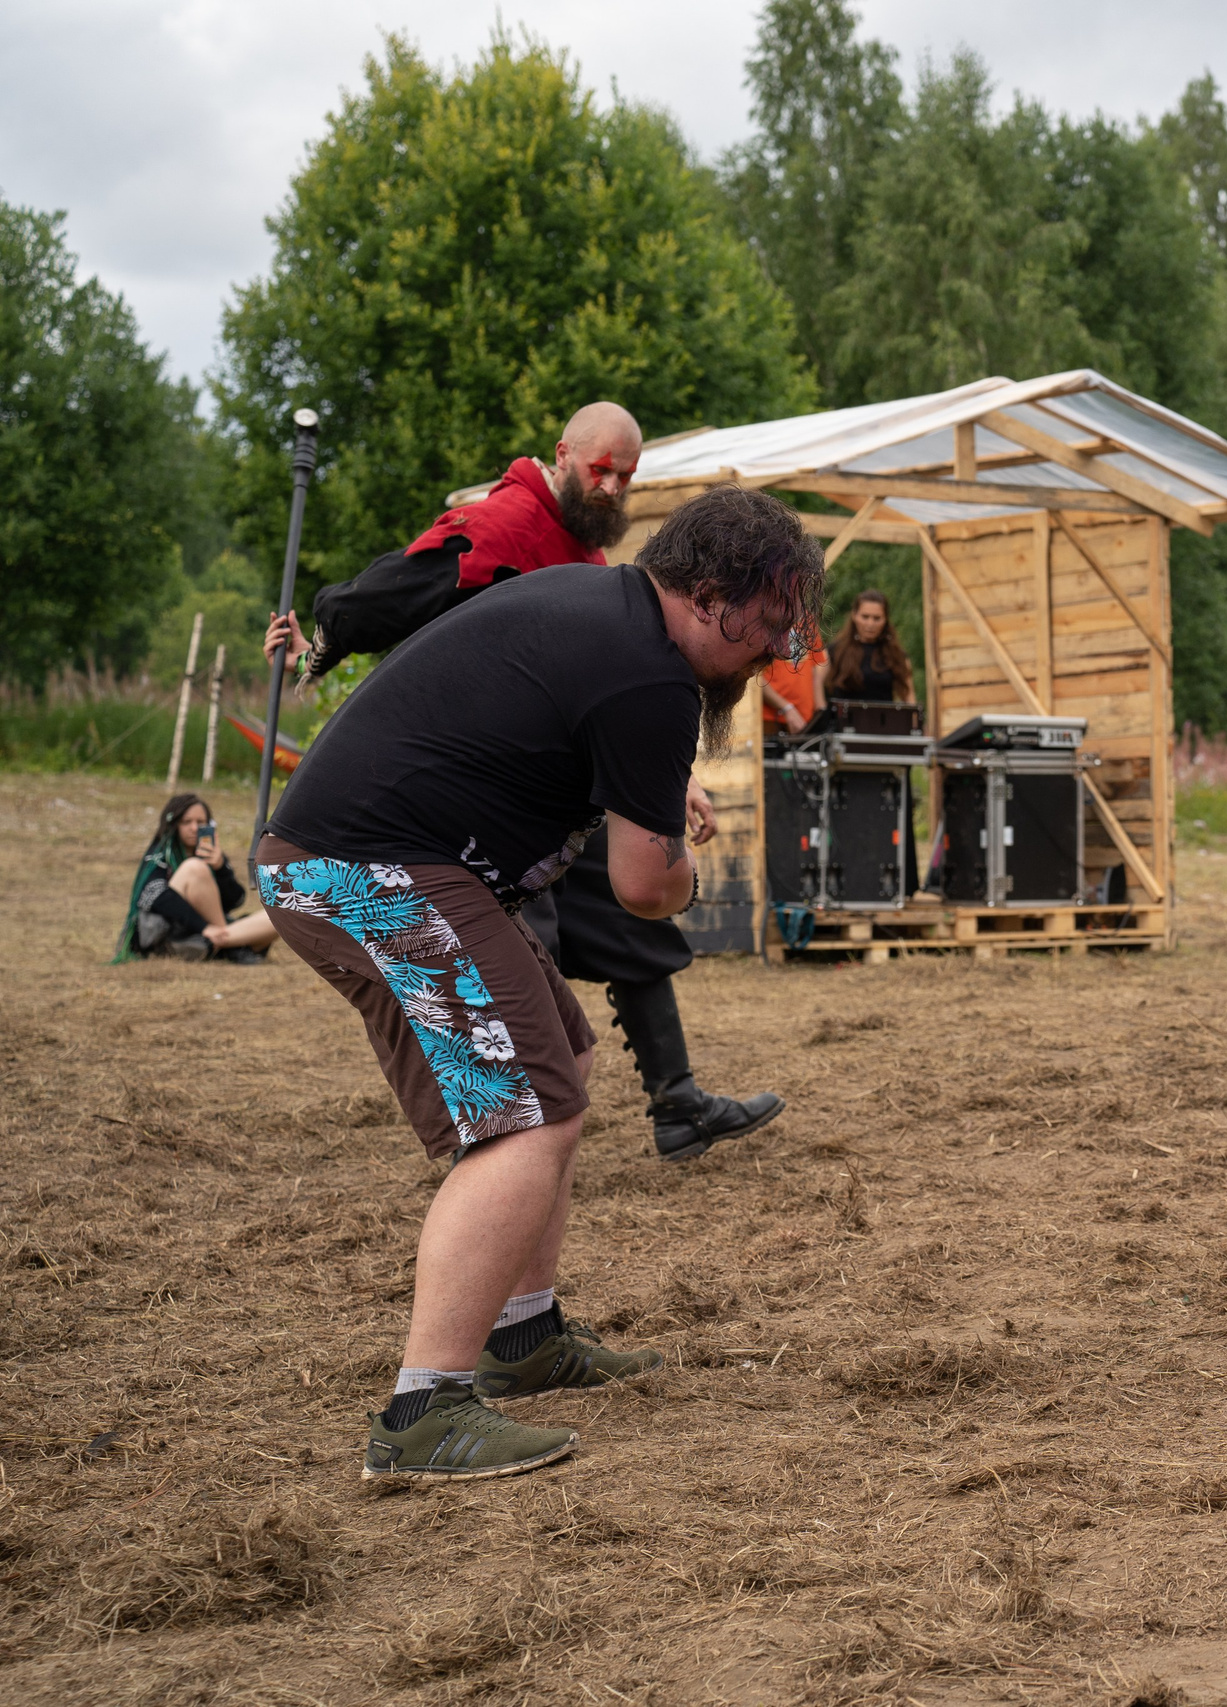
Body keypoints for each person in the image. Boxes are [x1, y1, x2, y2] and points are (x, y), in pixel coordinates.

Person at [255, 485, 824, 1482]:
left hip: (362, 859)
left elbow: (547, 726)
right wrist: (687, 873)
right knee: (524, 1113)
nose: (776, 651)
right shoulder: (650, 674)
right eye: (770, 623)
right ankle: (422, 1412)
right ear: (708, 593)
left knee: (561, 1057)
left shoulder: (612, 617)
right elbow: (648, 887)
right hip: (366, 869)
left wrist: (644, 786)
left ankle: (523, 1339)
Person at [267, 402, 784, 1161]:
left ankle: (675, 1102)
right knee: (516, 1003)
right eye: (599, 468)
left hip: (552, 789)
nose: (611, 486)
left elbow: (610, 702)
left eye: (625, 475)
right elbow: (396, 592)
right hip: (458, 811)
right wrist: (325, 635)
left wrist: (663, 783)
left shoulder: (592, 561)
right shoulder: (505, 526)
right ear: (563, 456)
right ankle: (504, 1133)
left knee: (623, 915)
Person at [115, 793, 280, 963]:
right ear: (174, 824)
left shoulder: (212, 854)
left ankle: (223, 943)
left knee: (278, 915)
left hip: (210, 931)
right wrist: (205, 927)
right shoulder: (159, 854)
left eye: (200, 822)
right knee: (194, 868)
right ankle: (232, 945)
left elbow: (236, 901)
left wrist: (221, 867)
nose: (194, 828)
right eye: (187, 822)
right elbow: (154, 896)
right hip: (174, 932)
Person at [828, 589, 914, 705]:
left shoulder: (896, 654)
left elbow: (908, 695)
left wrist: (913, 720)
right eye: (865, 617)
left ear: (885, 620)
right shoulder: (836, 651)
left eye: (877, 618)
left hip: (884, 720)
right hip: (845, 720)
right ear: (854, 616)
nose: (870, 624)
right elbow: (815, 683)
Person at [761, 644, 829, 734]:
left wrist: (820, 709)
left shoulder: (810, 629)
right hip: (770, 720)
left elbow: (820, 661)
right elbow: (755, 677)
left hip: (806, 720)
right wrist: (786, 707)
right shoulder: (764, 630)